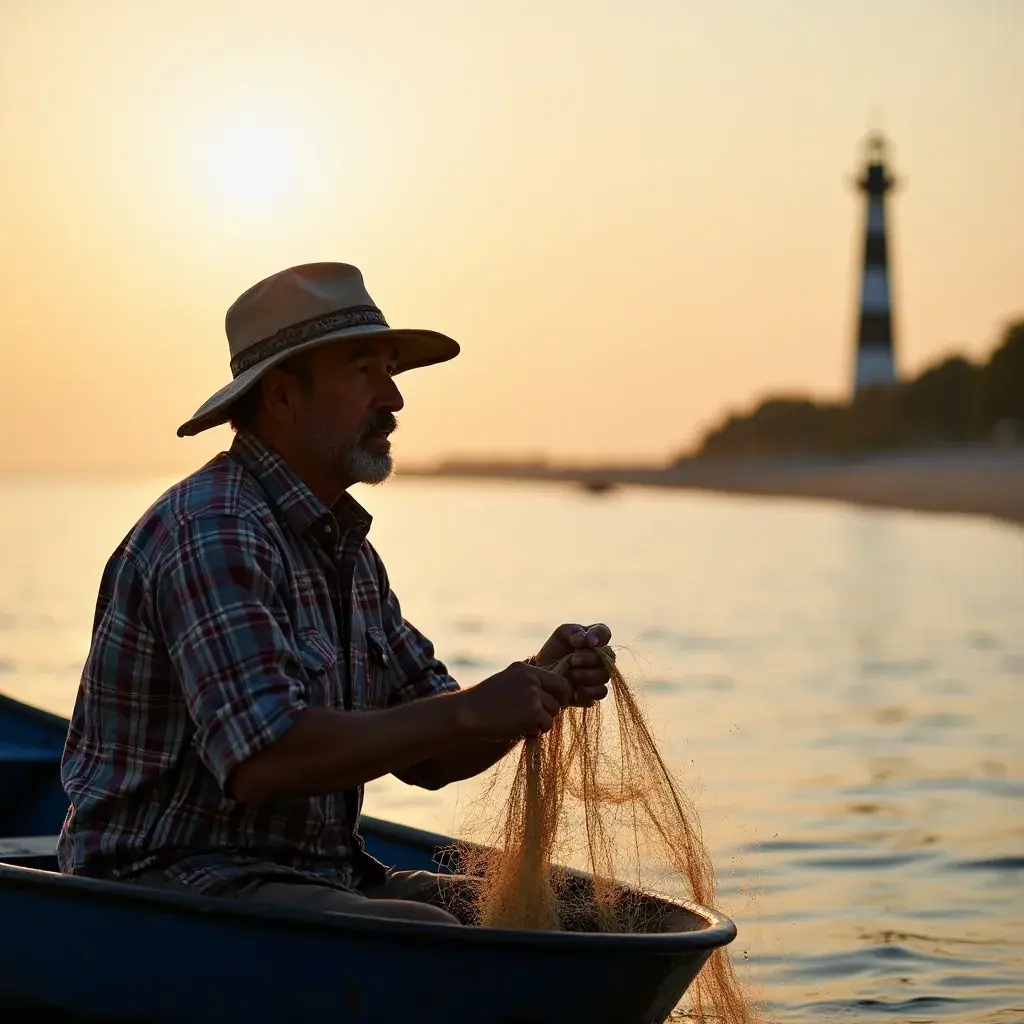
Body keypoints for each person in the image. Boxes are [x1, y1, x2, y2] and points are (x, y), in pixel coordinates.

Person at [58, 262, 613, 926]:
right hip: (163, 885)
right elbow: (265, 760)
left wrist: (535, 678)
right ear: (285, 395)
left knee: (584, 914)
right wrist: (470, 712)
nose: (394, 400)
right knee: (430, 935)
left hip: (317, 878)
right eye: (363, 371)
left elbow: (434, 757)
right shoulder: (215, 533)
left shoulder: (345, 551)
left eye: (390, 371)